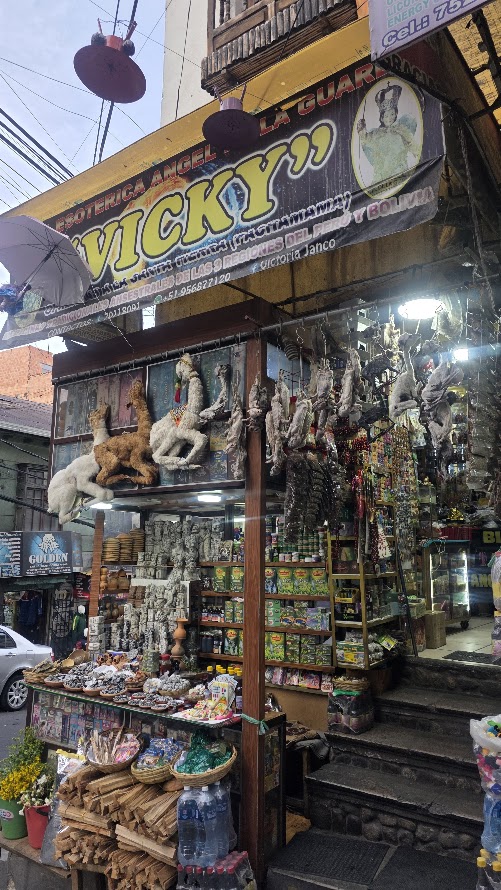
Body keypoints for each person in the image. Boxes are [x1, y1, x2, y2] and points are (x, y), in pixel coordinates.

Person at [356, 83, 421, 194]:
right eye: (386, 116)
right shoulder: (376, 133)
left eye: (392, 114)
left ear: (396, 114)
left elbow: (413, 145)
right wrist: (361, 128)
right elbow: (365, 139)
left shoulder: (401, 129)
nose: (389, 118)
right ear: (382, 118)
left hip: (399, 171)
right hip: (381, 175)